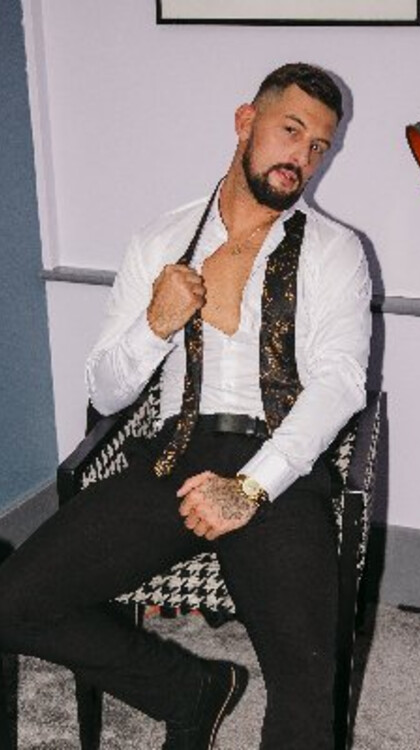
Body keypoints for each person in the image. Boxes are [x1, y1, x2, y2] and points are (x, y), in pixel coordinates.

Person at [0, 63, 371, 749]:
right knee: (12, 602)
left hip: (277, 468)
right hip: (172, 455)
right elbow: (105, 391)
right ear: (245, 122)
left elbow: (341, 383)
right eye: (291, 131)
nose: (302, 157)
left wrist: (251, 486)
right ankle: (189, 691)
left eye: (319, 145)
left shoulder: (334, 251)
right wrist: (155, 325)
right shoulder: (159, 239)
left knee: (307, 682)